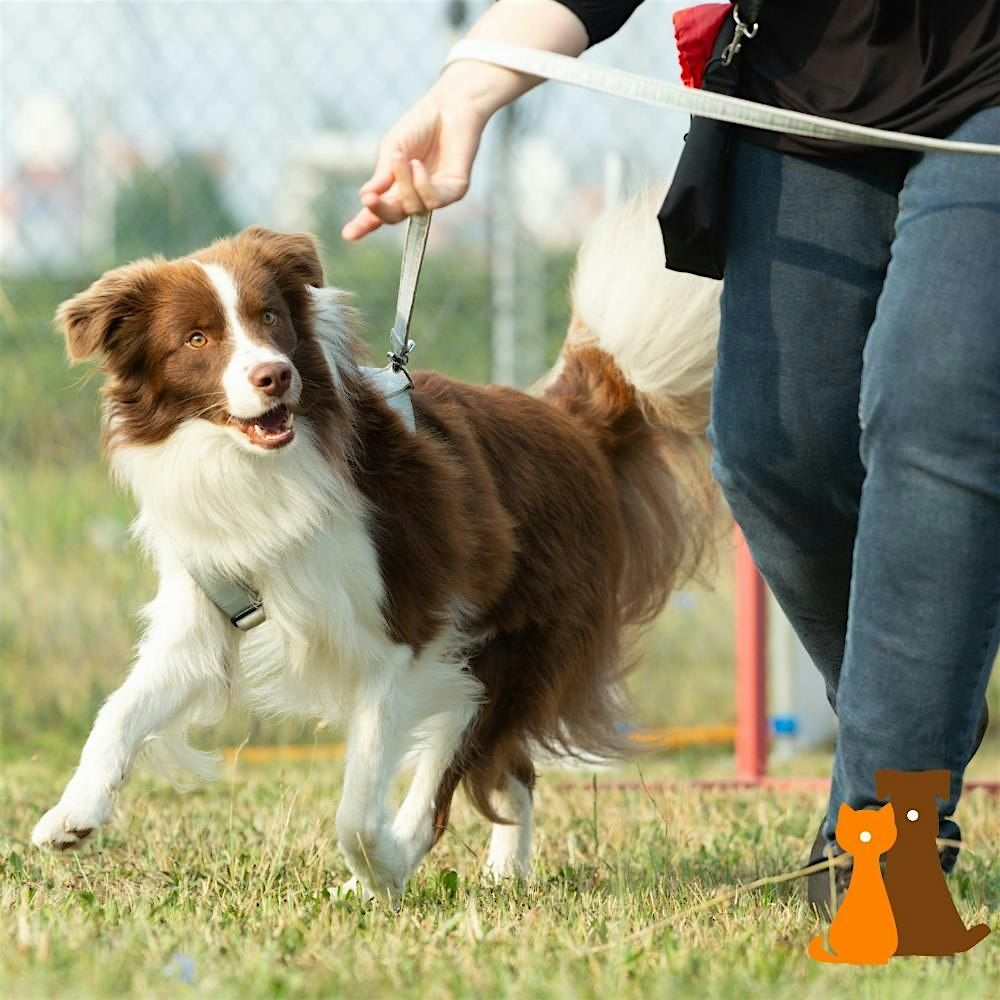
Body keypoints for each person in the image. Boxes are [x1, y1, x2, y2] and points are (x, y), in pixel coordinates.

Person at [343, 0, 1000, 910]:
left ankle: (889, 825)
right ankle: (922, 708)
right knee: (773, 454)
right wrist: (468, 88)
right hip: (809, 91)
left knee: (937, 416)